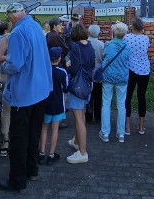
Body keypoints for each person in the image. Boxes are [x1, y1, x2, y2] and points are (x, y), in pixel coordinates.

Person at [0, 3, 52, 193]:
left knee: (19, 138)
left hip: (25, 93)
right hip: (41, 89)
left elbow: (15, 64)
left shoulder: (18, 33)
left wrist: (4, 66)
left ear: (11, 18)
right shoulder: (35, 26)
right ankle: (32, 170)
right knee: (34, 133)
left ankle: (17, 181)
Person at [65, 23, 95, 164]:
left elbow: (74, 68)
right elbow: (92, 65)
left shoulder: (75, 47)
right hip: (88, 84)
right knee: (81, 113)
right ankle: (77, 141)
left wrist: (68, 65)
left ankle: (82, 152)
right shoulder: (90, 45)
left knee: (78, 118)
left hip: (77, 85)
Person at [99, 22, 131, 143]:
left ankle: (105, 132)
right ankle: (121, 134)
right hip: (122, 78)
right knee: (121, 105)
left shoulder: (107, 44)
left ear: (113, 32)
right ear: (124, 34)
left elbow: (104, 57)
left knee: (106, 103)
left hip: (108, 77)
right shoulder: (127, 47)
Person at [38, 47, 68, 165]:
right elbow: (65, 89)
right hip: (57, 104)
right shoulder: (62, 72)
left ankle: (41, 153)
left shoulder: (43, 70)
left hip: (45, 103)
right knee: (55, 129)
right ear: (59, 58)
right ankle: (51, 154)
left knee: (44, 128)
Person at [124, 17, 151, 136]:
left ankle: (127, 125)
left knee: (128, 96)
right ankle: (141, 126)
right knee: (142, 97)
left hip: (130, 69)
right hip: (145, 70)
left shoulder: (126, 37)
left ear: (133, 27)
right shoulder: (146, 38)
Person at [0, 21, 11, 157]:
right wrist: (13, 58)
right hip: (6, 77)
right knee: (6, 110)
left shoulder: (24, 37)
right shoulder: (6, 39)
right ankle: (6, 139)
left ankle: (13, 137)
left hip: (20, 79)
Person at [86, 24, 105, 124]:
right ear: (98, 33)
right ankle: (97, 117)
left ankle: (88, 116)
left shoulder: (86, 43)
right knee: (98, 96)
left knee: (89, 95)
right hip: (98, 73)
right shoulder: (101, 44)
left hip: (87, 72)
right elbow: (103, 58)